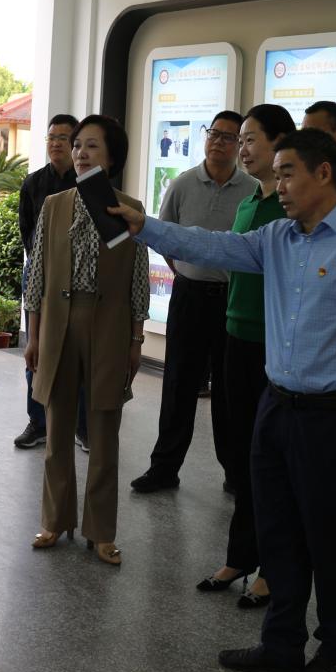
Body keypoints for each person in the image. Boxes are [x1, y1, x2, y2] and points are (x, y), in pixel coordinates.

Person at [109, 127, 336, 672]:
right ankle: (282, 643)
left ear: (324, 173)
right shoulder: (276, 238)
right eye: (277, 175)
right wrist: (144, 226)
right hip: (276, 406)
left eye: (288, 173)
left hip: (331, 414)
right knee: (277, 529)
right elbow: (209, 246)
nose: (279, 185)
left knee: (328, 536)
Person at [23, 115, 149, 567]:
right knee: (57, 428)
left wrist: (136, 339)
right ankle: (55, 520)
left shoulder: (129, 207)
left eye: (92, 146)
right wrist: (34, 335)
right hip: (59, 322)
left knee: (103, 430)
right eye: (77, 145)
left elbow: (138, 280)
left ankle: (101, 531)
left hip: (110, 323)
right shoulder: (54, 205)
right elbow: (37, 275)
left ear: (111, 157)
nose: (80, 152)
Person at [195, 104, 296, 609]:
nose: (242, 147)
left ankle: (272, 569)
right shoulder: (248, 202)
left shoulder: (288, 208)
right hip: (235, 335)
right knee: (239, 457)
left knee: (270, 461)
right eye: (241, 139)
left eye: (251, 138)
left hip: (271, 344)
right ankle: (240, 556)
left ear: (280, 143)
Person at [131, 110, 254, 494]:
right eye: (213, 133)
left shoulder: (252, 190)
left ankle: (236, 472)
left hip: (231, 299)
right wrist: (186, 271)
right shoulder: (183, 184)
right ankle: (164, 468)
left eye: (228, 137)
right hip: (189, 296)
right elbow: (165, 237)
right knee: (178, 385)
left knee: (229, 391)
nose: (218, 141)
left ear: (239, 145)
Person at [14, 113, 86, 449]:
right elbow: (27, 230)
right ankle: (37, 422)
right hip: (40, 272)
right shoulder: (33, 183)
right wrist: (44, 265)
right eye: (51, 137)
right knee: (36, 348)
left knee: (81, 349)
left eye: (63, 138)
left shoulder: (86, 183)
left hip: (79, 277)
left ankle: (82, 426)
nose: (56, 143)